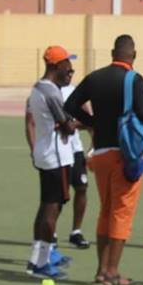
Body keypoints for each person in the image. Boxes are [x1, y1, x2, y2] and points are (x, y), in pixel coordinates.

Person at [64, 34, 143, 285]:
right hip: (124, 154)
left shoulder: (95, 77)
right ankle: (113, 271)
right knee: (121, 213)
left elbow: (71, 104)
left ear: (112, 52)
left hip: (100, 153)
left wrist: (94, 122)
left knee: (105, 210)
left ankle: (101, 270)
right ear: (133, 55)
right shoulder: (134, 80)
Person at [24, 45, 77, 279]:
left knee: (45, 205)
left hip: (45, 152)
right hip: (56, 156)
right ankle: (41, 263)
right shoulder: (52, 92)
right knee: (52, 208)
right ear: (56, 65)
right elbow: (67, 125)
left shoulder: (37, 88)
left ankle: (36, 258)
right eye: (67, 63)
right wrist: (81, 124)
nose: (70, 68)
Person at [60, 78, 90, 249]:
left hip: (75, 151)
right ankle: (52, 235)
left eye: (72, 71)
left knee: (82, 188)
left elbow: (89, 120)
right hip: (57, 151)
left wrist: (73, 124)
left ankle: (75, 232)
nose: (70, 74)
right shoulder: (49, 91)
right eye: (68, 70)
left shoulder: (75, 92)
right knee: (58, 196)